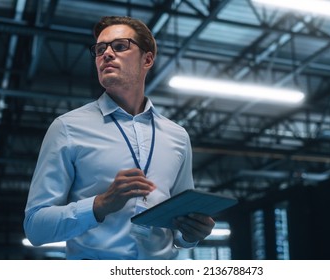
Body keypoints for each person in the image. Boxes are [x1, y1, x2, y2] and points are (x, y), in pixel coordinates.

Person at [23, 15, 215, 259]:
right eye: (100, 49)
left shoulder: (177, 136)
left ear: (147, 59)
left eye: (120, 46)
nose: (107, 54)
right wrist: (99, 204)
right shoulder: (67, 127)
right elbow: (35, 227)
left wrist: (191, 233)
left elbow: (181, 225)